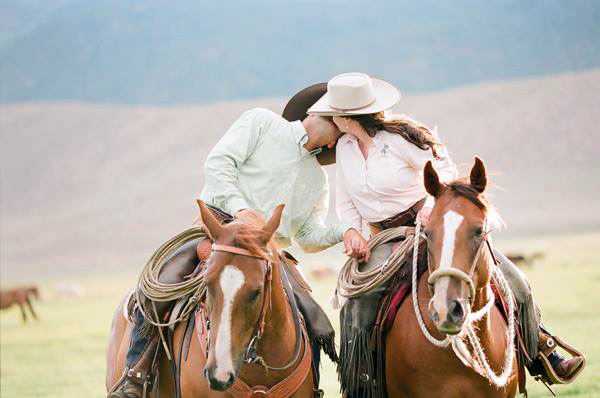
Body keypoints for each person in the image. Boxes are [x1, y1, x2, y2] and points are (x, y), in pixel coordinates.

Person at [307, 72, 584, 391]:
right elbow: (346, 202)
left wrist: (429, 210)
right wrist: (352, 233)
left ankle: (542, 352)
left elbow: (445, 173)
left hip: (432, 225)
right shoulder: (345, 149)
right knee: (357, 301)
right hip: (384, 239)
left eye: (332, 111)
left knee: (514, 280)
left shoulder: (400, 139)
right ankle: (362, 384)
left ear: (344, 116)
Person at [110, 98, 369, 398]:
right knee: (160, 286)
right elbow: (219, 164)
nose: (341, 132)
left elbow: (308, 235)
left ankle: (311, 387)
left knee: (314, 317)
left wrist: (345, 231)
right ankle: (136, 377)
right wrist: (241, 208)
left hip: (267, 252)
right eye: (339, 121)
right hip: (217, 233)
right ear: (315, 112)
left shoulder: (318, 179)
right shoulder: (261, 123)